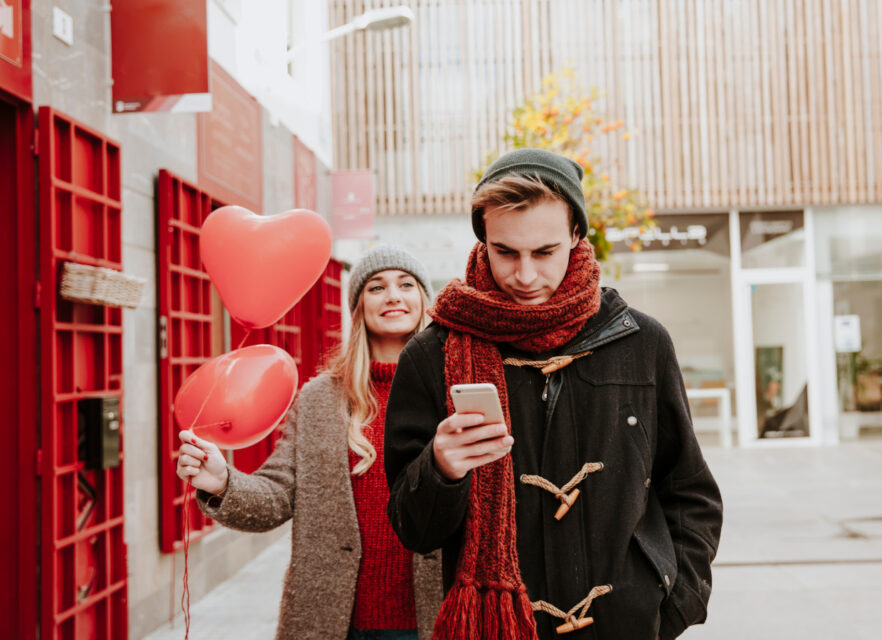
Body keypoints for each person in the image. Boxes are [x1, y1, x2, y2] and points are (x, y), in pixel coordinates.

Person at [384, 148, 724, 640]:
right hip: (502, 629)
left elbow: (690, 491)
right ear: (483, 239)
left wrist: (670, 604)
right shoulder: (431, 353)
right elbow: (414, 530)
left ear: (576, 236)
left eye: (544, 252)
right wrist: (441, 469)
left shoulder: (642, 342)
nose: (525, 276)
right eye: (505, 252)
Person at [176, 245, 443, 640]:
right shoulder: (318, 397)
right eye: (376, 287)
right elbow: (278, 495)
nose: (393, 295)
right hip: (332, 620)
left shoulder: (449, 388)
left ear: (423, 300)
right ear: (358, 307)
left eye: (406, 284)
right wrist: (222, 482)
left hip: (435, 615)